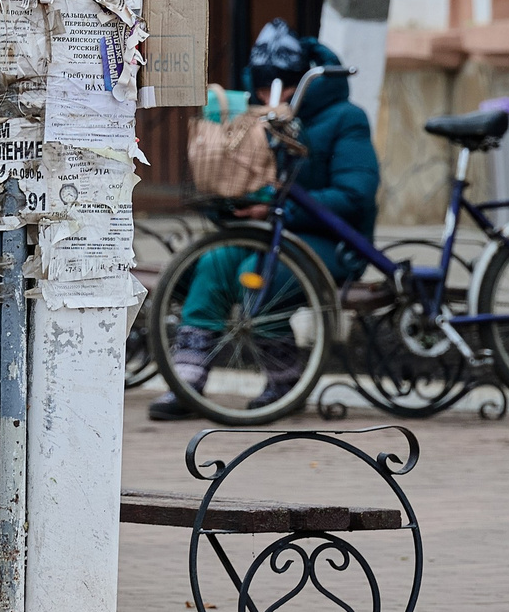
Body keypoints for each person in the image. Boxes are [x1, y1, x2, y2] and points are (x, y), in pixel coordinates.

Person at [151, 21, 380, 421]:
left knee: (256, 273)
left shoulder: (345, 118)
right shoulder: (255, 119)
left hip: (327, 239)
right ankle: (188, 375)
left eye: (283, 85)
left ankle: (283, 375)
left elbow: (355, 194)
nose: (271, 93)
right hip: (269, 234)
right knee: (214, 262)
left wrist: (280, 205)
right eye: (261, 86)